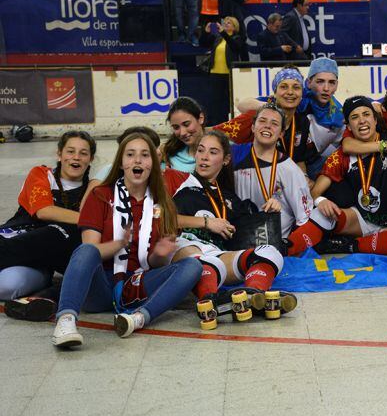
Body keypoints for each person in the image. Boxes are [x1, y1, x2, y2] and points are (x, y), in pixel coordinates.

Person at [50, 133, 202, 348]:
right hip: (101, 284)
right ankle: (66, 321)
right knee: (85, 251)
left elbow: (153, 264)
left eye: (144, 155)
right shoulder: (100, 195)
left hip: (137, 283)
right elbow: (91, 251)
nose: (137, 160)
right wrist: (119, 244)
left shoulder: (162, 203)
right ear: (121, 163)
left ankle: (138, 319)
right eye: (130, 155)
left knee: (192, 266)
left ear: (153, 163)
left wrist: (160, 253)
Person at [169, 131, 296, 321]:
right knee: (206, 262)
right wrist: (206, 222)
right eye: (201, 151)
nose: (204, 157)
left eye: (213, 152)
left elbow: (248, 232)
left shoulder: (228, 197)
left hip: (217, 254)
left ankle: (253, 295)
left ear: (226, 159)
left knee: (270, 252)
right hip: (185, 247)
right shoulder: (178, 180)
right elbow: (159, 219)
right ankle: (209, 302)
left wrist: (272, 209)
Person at [287, 96, 387, 257]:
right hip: (360, 221)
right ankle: (284, 250)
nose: (362, 121)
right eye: (355, 117)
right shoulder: (342, 156)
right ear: (348, 125)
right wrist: (321, 201)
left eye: (366, 114)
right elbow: (315, 192)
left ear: (375, 119)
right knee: (321, 213)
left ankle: (352, 245)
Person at [0, 132, 96, 319]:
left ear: (91, 159)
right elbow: (44, 211)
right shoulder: (41, 174)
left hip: (40, 262)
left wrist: (94, 186)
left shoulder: (92, 188)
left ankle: (43, 296)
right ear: (59, 154)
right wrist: (85, 219)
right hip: (12, 240)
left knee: (8, 285)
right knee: (67, 230)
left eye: (83, 153)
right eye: (70, 151)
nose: (76, 157)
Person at [217, 58, 345, 179]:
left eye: (331, 82)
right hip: (271, 164)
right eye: (320, 81)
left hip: (306, 161)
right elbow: (242, 105)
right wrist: (276, 108)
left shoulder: (338, 113)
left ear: (337, 85)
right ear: (308, 83)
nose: (326, 88)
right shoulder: (294, 98)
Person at [231, 103, 312, 238]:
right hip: (237, 241)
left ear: (281, 133)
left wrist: (288, 247)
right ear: (252, 127)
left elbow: (304, 219)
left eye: (274, 123)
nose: (267, 126)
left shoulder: (290, 170)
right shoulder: (233, 156)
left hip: (274, 244)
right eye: (262, 121)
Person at [200, 16, 247, 125]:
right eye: (225, 22)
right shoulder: (219, 38)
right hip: (215, 73)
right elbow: (203, 44)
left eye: (229, 23)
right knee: (215, 100)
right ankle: (217, 123)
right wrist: (206, 33)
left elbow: (235, 47)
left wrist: (223, 34)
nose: (226, 24)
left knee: (227, 100)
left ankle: (228, 122)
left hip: (228, 74)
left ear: (234, 27)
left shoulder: (237, 38)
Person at [162, 96, 207, 172]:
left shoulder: (221, 152)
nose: (182, 133)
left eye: (186, 124)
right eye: (176, 127)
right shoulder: (169, 156)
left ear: (200, 118)